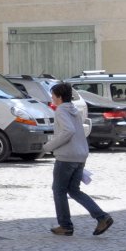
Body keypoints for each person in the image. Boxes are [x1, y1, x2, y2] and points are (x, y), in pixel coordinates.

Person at [45, 83, 113, 237]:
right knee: (74, 191)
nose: (52, 97)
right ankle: (102, 217)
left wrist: (48, 146)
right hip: (80, 155)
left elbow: (68, 131)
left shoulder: (61, 110)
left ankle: (65, 226)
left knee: (59, 191)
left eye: (53, 95)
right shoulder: (74, 109)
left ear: (59, 97)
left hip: (66, 156)